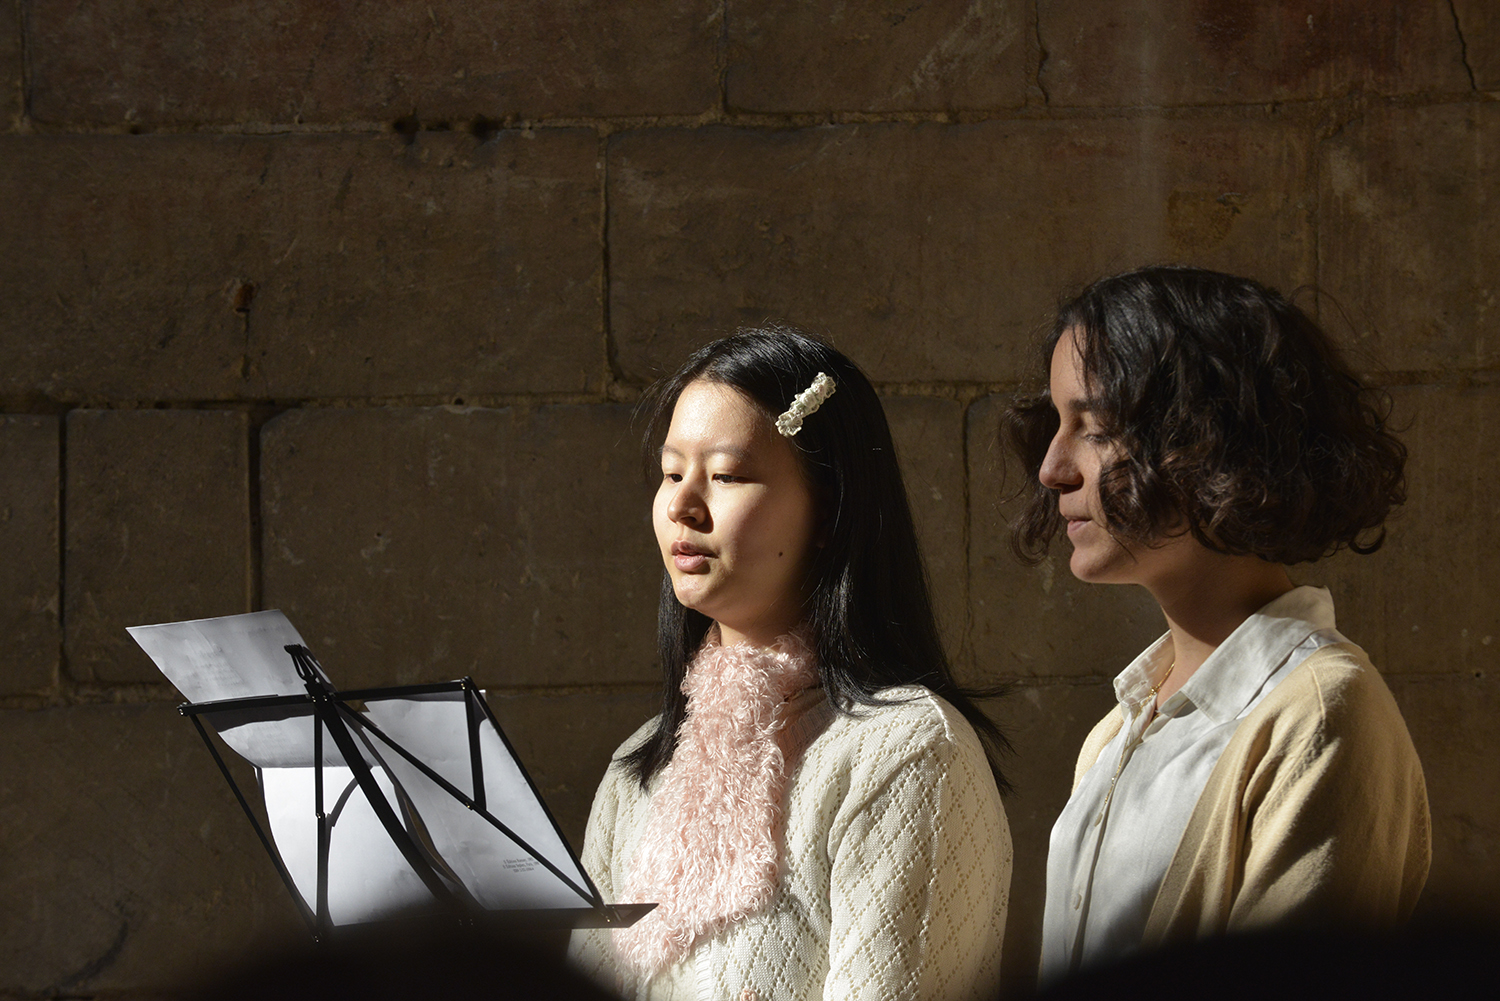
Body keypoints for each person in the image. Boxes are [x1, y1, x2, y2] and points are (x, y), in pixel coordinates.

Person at [1004, 265, 1430, 984]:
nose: (1051, 468)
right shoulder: (1118, 731)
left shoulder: (1319, 714)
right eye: (1055, 423)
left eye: (1095, 427)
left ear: (1208, 441)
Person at [569, 326, 1013, 1001]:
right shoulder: (638, 769)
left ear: (829, 511)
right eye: (671, 473)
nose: (682, 505)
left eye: (726, 475)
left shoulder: (905, 753)